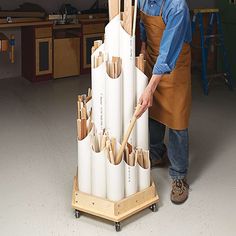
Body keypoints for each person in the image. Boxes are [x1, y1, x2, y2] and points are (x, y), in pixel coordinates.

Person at [136, 0, 192, 204]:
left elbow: (168, 52)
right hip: (152, 58)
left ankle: (179, 176)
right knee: (153, 111)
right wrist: (143, 51)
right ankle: (157, 153)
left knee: (177, 119)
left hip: (175, 64)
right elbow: (143, 26)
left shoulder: (177, 7)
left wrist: (150, 87)